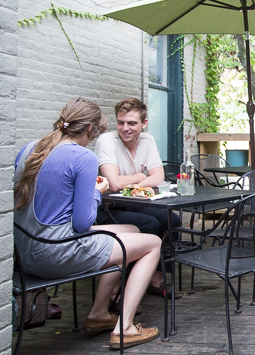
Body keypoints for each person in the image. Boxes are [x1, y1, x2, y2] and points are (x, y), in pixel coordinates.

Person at [13, 98, 161, 349]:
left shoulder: (29, 149)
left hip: (25, 251)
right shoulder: (83, 157)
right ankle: (124, 328)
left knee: (132, 231)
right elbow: (83, 223)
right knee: (153, 243)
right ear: (90, 130)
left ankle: (99, 314)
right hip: (55, 253)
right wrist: (97, 191)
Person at [94, 97, 182, 299]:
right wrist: (142, 177)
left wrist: (131, 183)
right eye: (121, 122)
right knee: (148, 224)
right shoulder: (106, 141)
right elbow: (114, 183)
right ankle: (125, 286)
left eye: (132, 123)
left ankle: (156, 278)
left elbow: (159, 178)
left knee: (172, 220)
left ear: (144, 124)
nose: (125, 128)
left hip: (133, 203)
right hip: (108, 207)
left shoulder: (147, 140)